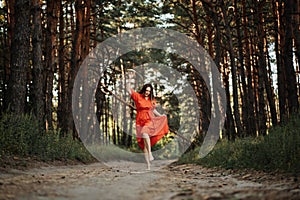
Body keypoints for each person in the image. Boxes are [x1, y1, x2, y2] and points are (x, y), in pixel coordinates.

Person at [127, 83, 169, 170]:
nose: (147, 93)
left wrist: (161, 116)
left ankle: (150, 153)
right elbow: (128, 89)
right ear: (144, 90)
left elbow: (154, 110)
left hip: (149, 120)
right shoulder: (137, 96)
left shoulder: (151, 100)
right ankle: (148, 166)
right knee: (143, 144)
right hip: (139, 121)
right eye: (146, 90)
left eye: (149, 91)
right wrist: (130, 79)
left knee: (145, 134)